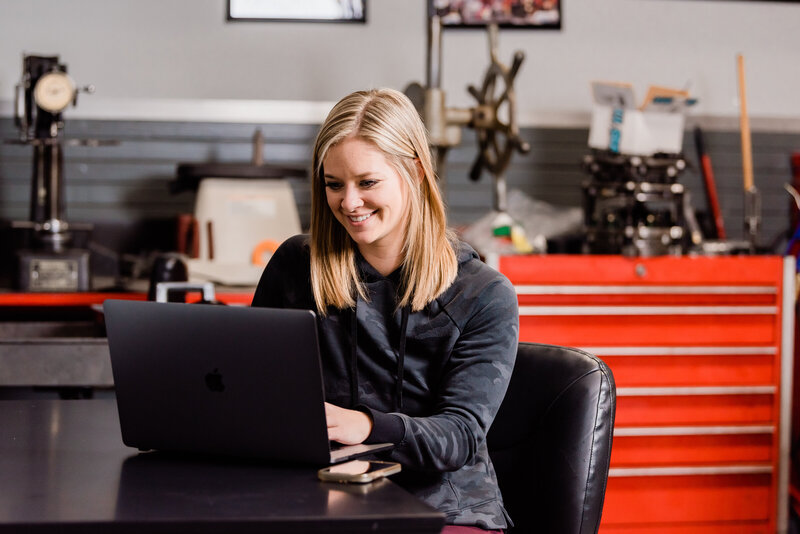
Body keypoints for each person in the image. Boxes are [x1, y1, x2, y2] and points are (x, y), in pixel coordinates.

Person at [251, 88, 519, 533]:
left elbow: (459, 437)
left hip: (443, 507)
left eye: (367, 182)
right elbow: (249, 386)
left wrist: (364, 425)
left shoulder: (483, 294)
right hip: (319, 494)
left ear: (413, 170)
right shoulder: (297, 267)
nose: (349, 202)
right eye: (334, 184)